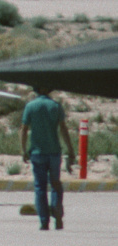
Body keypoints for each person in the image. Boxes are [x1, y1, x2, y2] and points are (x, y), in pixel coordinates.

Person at [21, 85, 75, 231]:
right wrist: (70, 150)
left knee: (40, 187)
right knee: (56, 184)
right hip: (54, 152)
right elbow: (63, 129)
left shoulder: (30, 106)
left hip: (37, 152)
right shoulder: (56, 106)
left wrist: (23, 150)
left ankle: (44, 221)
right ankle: (57, 216)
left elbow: (24, 130)